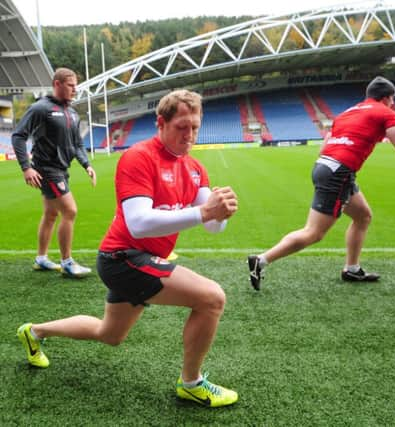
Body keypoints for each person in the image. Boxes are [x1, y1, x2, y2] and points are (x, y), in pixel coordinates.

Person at [16, 89, 240, 407]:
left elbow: (212, 227)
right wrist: (206, 211)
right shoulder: (139, 157)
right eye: (181, 127)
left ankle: (35, 331)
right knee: (212, 298)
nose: (189, 135)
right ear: (160, 123)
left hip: (139, 260)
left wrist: (222, 213)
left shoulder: (194, 169)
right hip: (122, 258)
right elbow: (138, 223)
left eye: (194, 127)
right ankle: (191, 383)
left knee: (110, 334)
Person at [247, 76, 395, 290]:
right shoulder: (386, 112)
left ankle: (352, 269)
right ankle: (260, 261)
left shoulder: (346, 113)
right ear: (386, 98)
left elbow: (324, 148)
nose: (393, 104)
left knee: (363, 216)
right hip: (339, 172)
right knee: (314, 232)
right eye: (392, 99)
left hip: (326, 167)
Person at [11, 67, 96, 278]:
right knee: (70, 211)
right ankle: (67, 262)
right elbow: (18, 136)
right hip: (46, 169)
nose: (75, 90)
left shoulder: (73, 113)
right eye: (71, 85)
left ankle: (41, 259)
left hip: (61, 169)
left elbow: (76, 144)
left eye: (76, 86)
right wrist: (26, 167)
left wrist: (86, 164)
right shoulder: (41, 108)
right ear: (57, 84)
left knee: (51, 214)